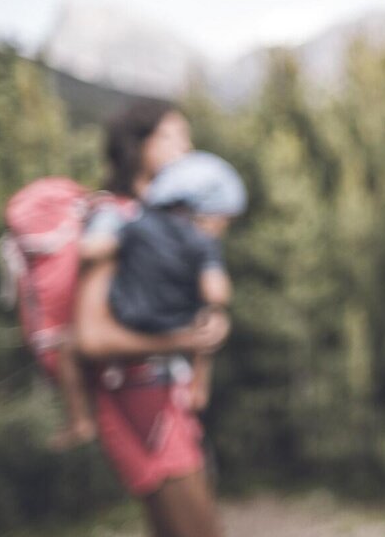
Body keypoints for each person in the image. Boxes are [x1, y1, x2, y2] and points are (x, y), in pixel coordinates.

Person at [73, 99, 230, 537]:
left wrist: (207, 329)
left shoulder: (163, 221)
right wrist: (184, 341)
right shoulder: (116, 219)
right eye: (172, 135)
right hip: (139, 404)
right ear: (137, 145)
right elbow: (91, 337)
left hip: (164, 399)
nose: (186, 147)